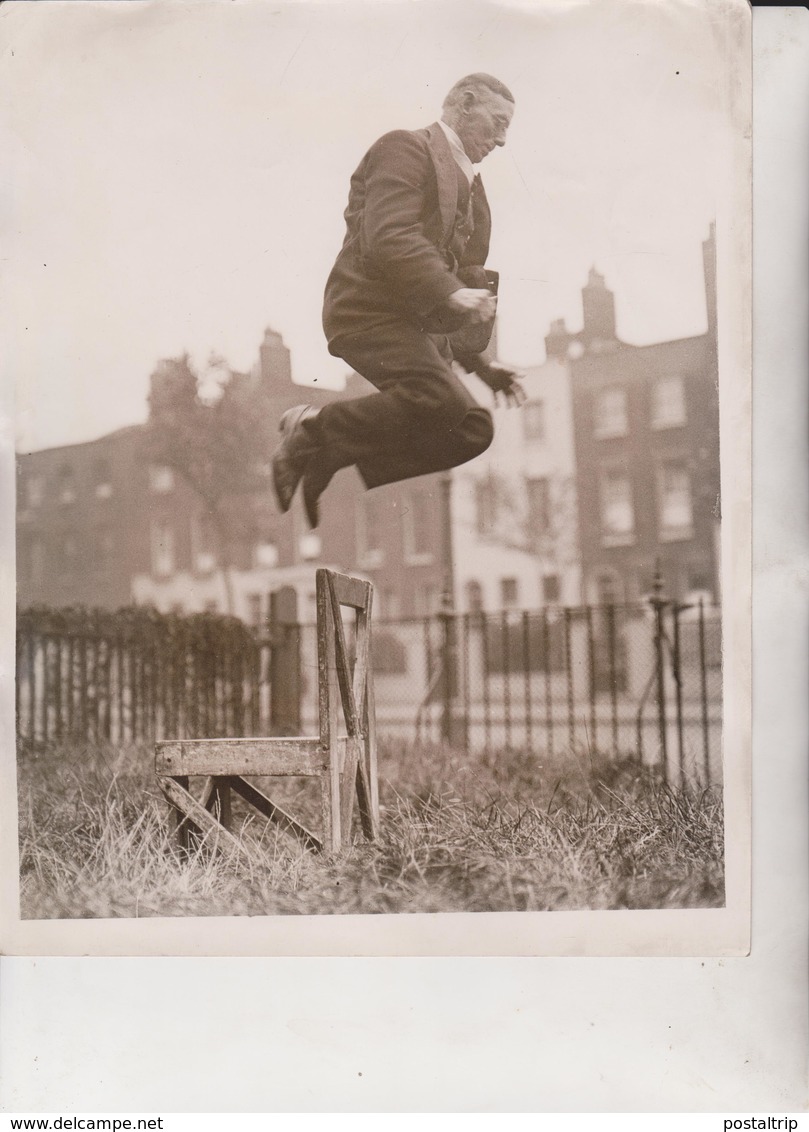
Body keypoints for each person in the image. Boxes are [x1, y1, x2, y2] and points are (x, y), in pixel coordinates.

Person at [272, 72, 525, 527]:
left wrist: (485, 367)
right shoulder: (404, 148)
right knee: (440, 400)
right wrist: (449, 291)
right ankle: (309, 429)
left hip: (414, 327)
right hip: (366, 311)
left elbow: (466, 280)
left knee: (472, 430)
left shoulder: (474, 193)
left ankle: (329, 455)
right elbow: (390, 236)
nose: (503, 140)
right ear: (465, 104)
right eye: (497, 122)